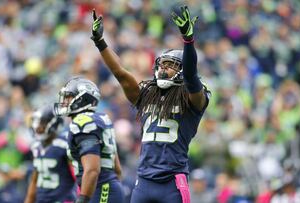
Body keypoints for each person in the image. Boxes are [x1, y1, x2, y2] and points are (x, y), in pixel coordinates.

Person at [91, 4, 210, 203]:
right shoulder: (147, 95)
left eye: (171, 66)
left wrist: (188, 41)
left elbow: (191, 76)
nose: (164, 69)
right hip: (144, 181)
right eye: (162, 64)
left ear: (181, 71)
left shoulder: (192, 99)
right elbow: (120, 73)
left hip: (172, 182)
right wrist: (100, 42)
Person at [54, 76, 124, 203]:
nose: (64, 101)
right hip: (108, 189)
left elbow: (92, 169)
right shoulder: (101, 118)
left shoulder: (83, 123)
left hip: (100, 190)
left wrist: (83, 198)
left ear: (82, 98)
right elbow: (117, 168)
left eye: (68, 97)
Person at [24, 106, 77, 203]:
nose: (38, 127)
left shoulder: (64, 145)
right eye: (37, 122)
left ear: (54, 123)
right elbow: (34, 180)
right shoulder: (36, 147)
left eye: (42, 123)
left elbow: (78, 177)